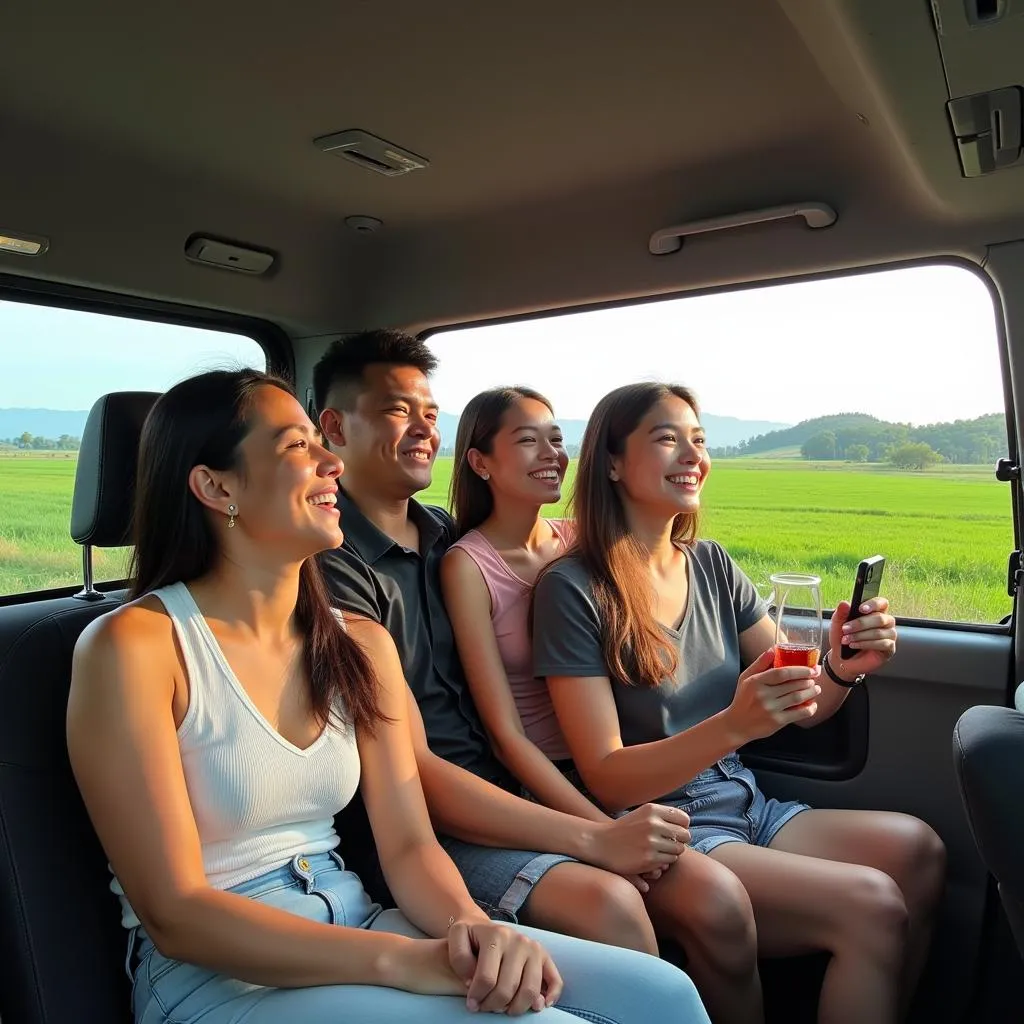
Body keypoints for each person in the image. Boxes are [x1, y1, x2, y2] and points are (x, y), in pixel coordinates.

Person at [66, 369, 710, 1024]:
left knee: (664, 996)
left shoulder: (361, 644)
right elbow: (177, 913)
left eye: (324, 442)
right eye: (297, 447)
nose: (329, 460)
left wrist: (469, 929)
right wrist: (409, 962)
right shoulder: (134, 648)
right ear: (216, 485)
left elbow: (408, 847)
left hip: (364, 922)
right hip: (219, 982)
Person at [531, 381, 947, 1024]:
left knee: (917, 850)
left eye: (699, 439)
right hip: (667, 825)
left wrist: (841, 666)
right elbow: (604, 772)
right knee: (872, 905)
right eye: (666, 438)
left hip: (743, 797)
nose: (691, 454)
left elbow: (802, 705)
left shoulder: (712, 564)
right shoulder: (572, 589)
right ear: (611, 462)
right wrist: (733, 725)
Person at [313, 332, 690, 955]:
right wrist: (595, 837)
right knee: (612, 903)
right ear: (334, 426)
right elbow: (413, 771)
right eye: (396, 410)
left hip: (509, 789)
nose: (422, 430)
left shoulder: (447, 538)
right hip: (420, 823)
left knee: (690, 886)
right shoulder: (333, 568)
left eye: (430, 414)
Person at [441, 385, 767, 1022]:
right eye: (527, 440)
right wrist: (597, 831)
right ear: (481, 463)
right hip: (550, 777)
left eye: (557, 438)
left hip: (609, 763)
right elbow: (508, 734)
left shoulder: (572, 544)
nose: (551, 453)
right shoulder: (468, 564)